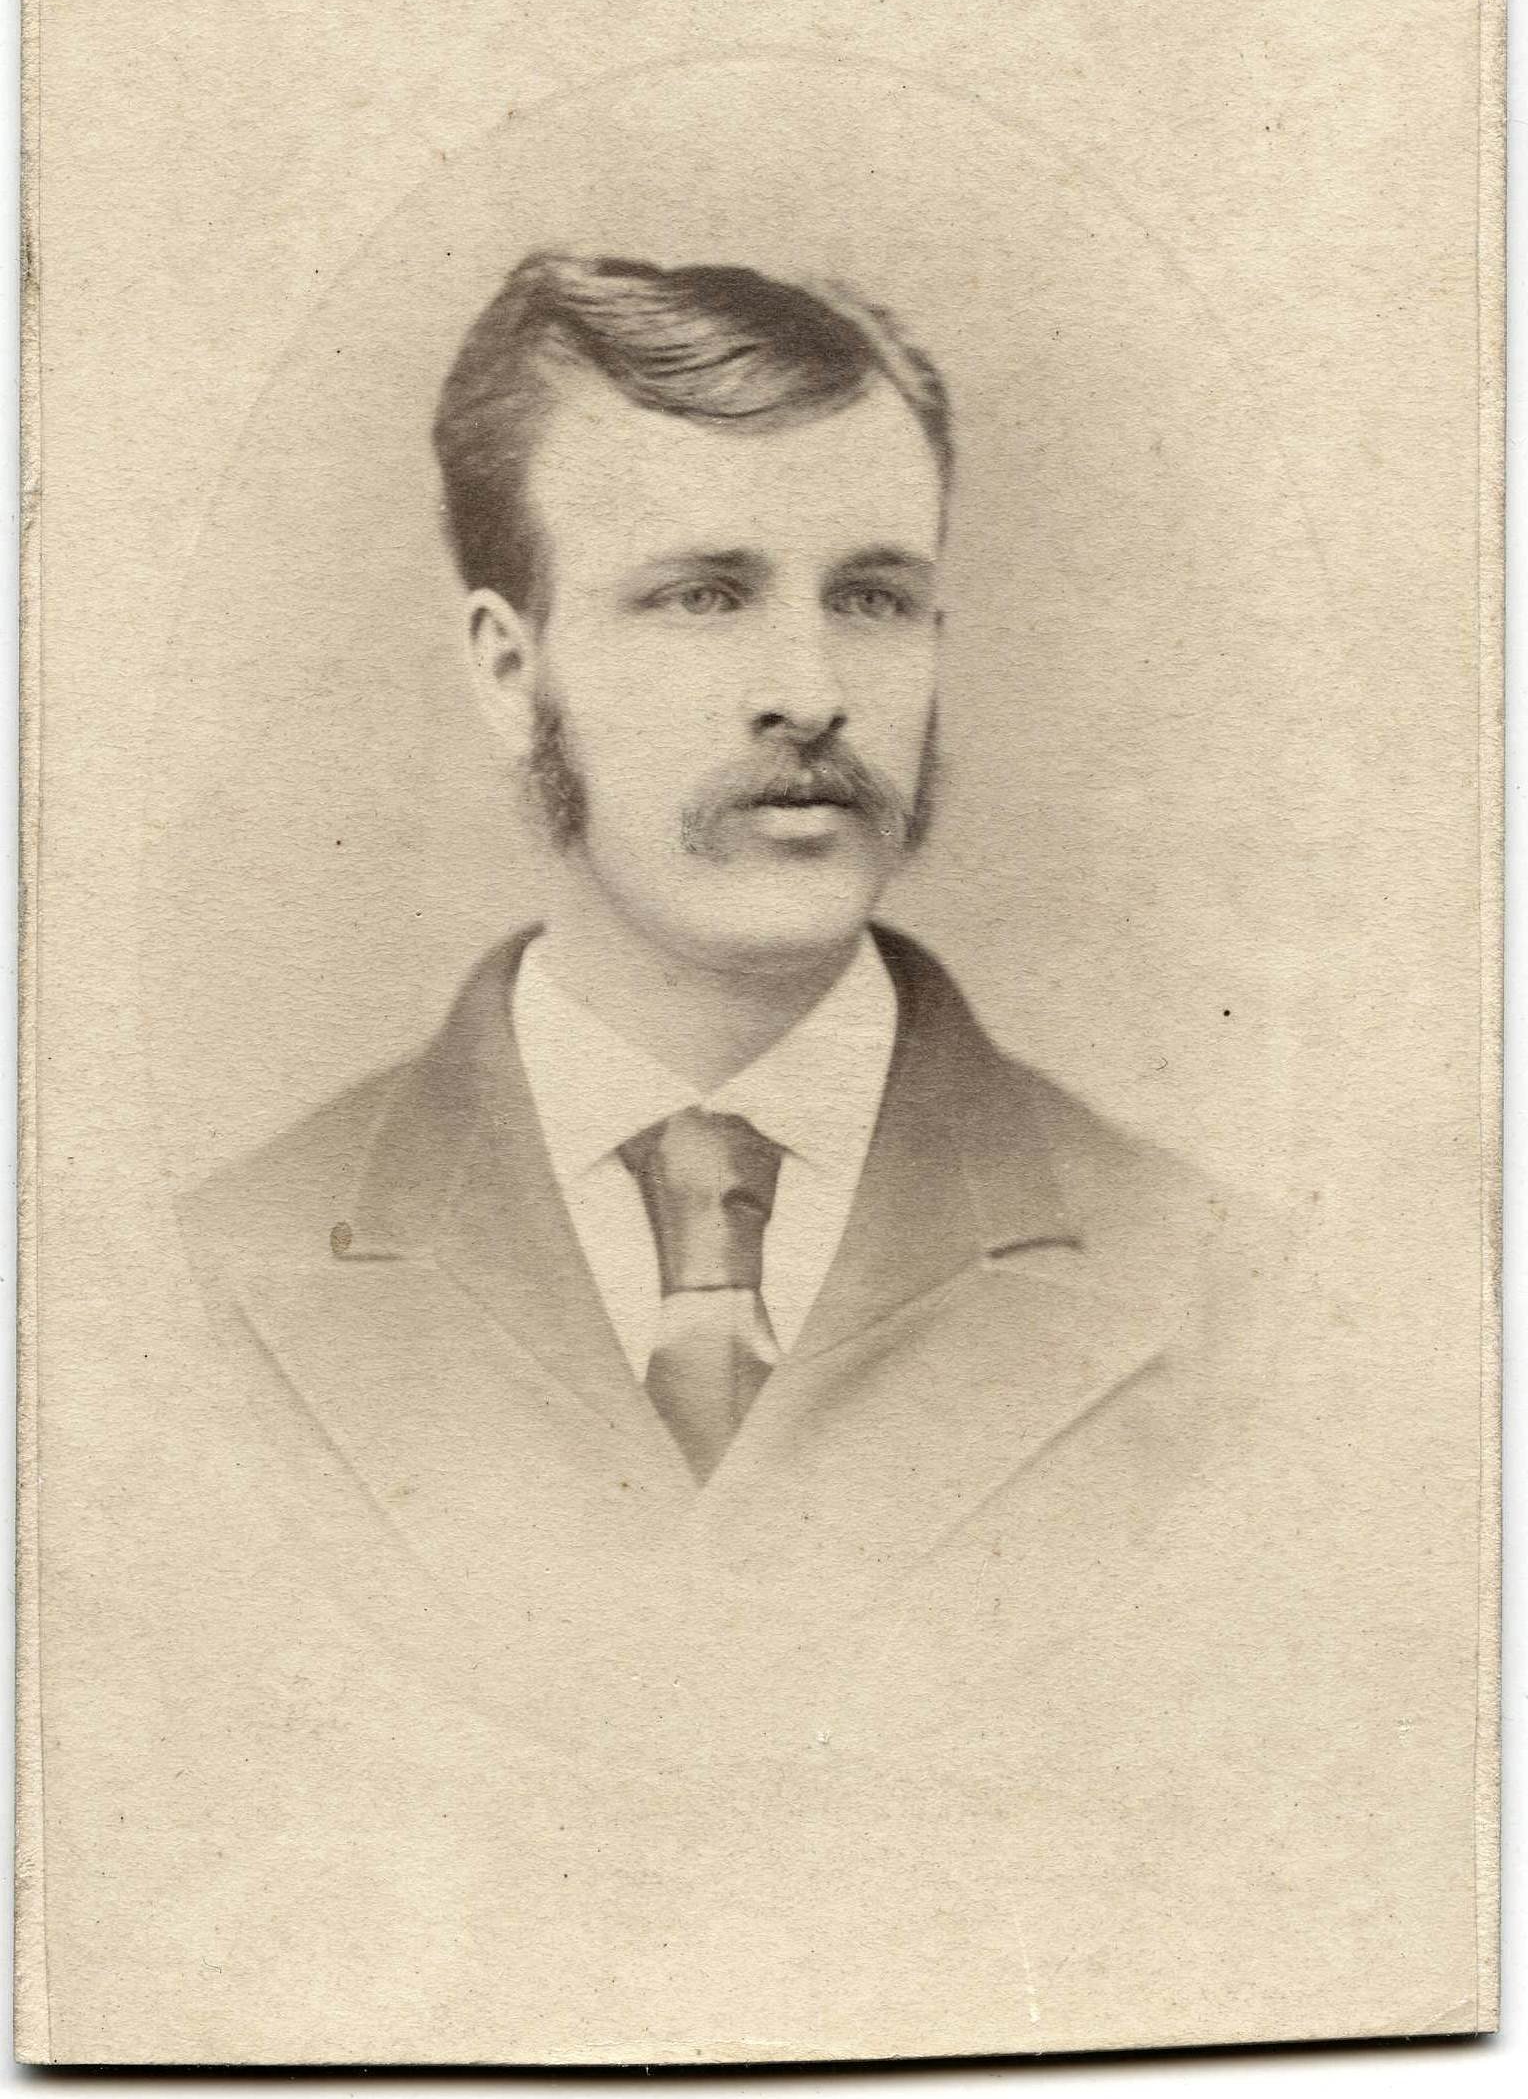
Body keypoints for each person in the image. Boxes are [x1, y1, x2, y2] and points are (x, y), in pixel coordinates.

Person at [180, 251, 1287, 1682]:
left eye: (872, 599)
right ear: (512, 671)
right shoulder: (203, 1283)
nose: (812, 694)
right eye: (704, 596)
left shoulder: (1228, 1293)